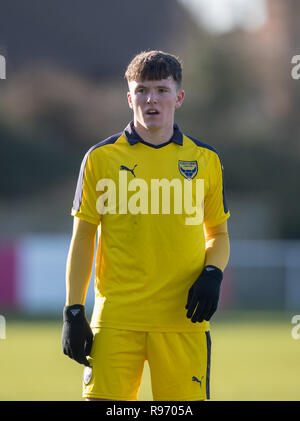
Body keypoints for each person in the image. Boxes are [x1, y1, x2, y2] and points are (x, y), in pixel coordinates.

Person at [61, 50, 230, 401]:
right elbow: (83, 239)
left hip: (182, 322)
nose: (151, 99)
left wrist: (213, 272)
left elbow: (219, 234)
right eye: (141, 90)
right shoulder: (100, 159)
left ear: (178, 97)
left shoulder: (206, 160)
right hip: (116, 321)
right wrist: (74, 310)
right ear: (129, 97)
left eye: (161, 90)